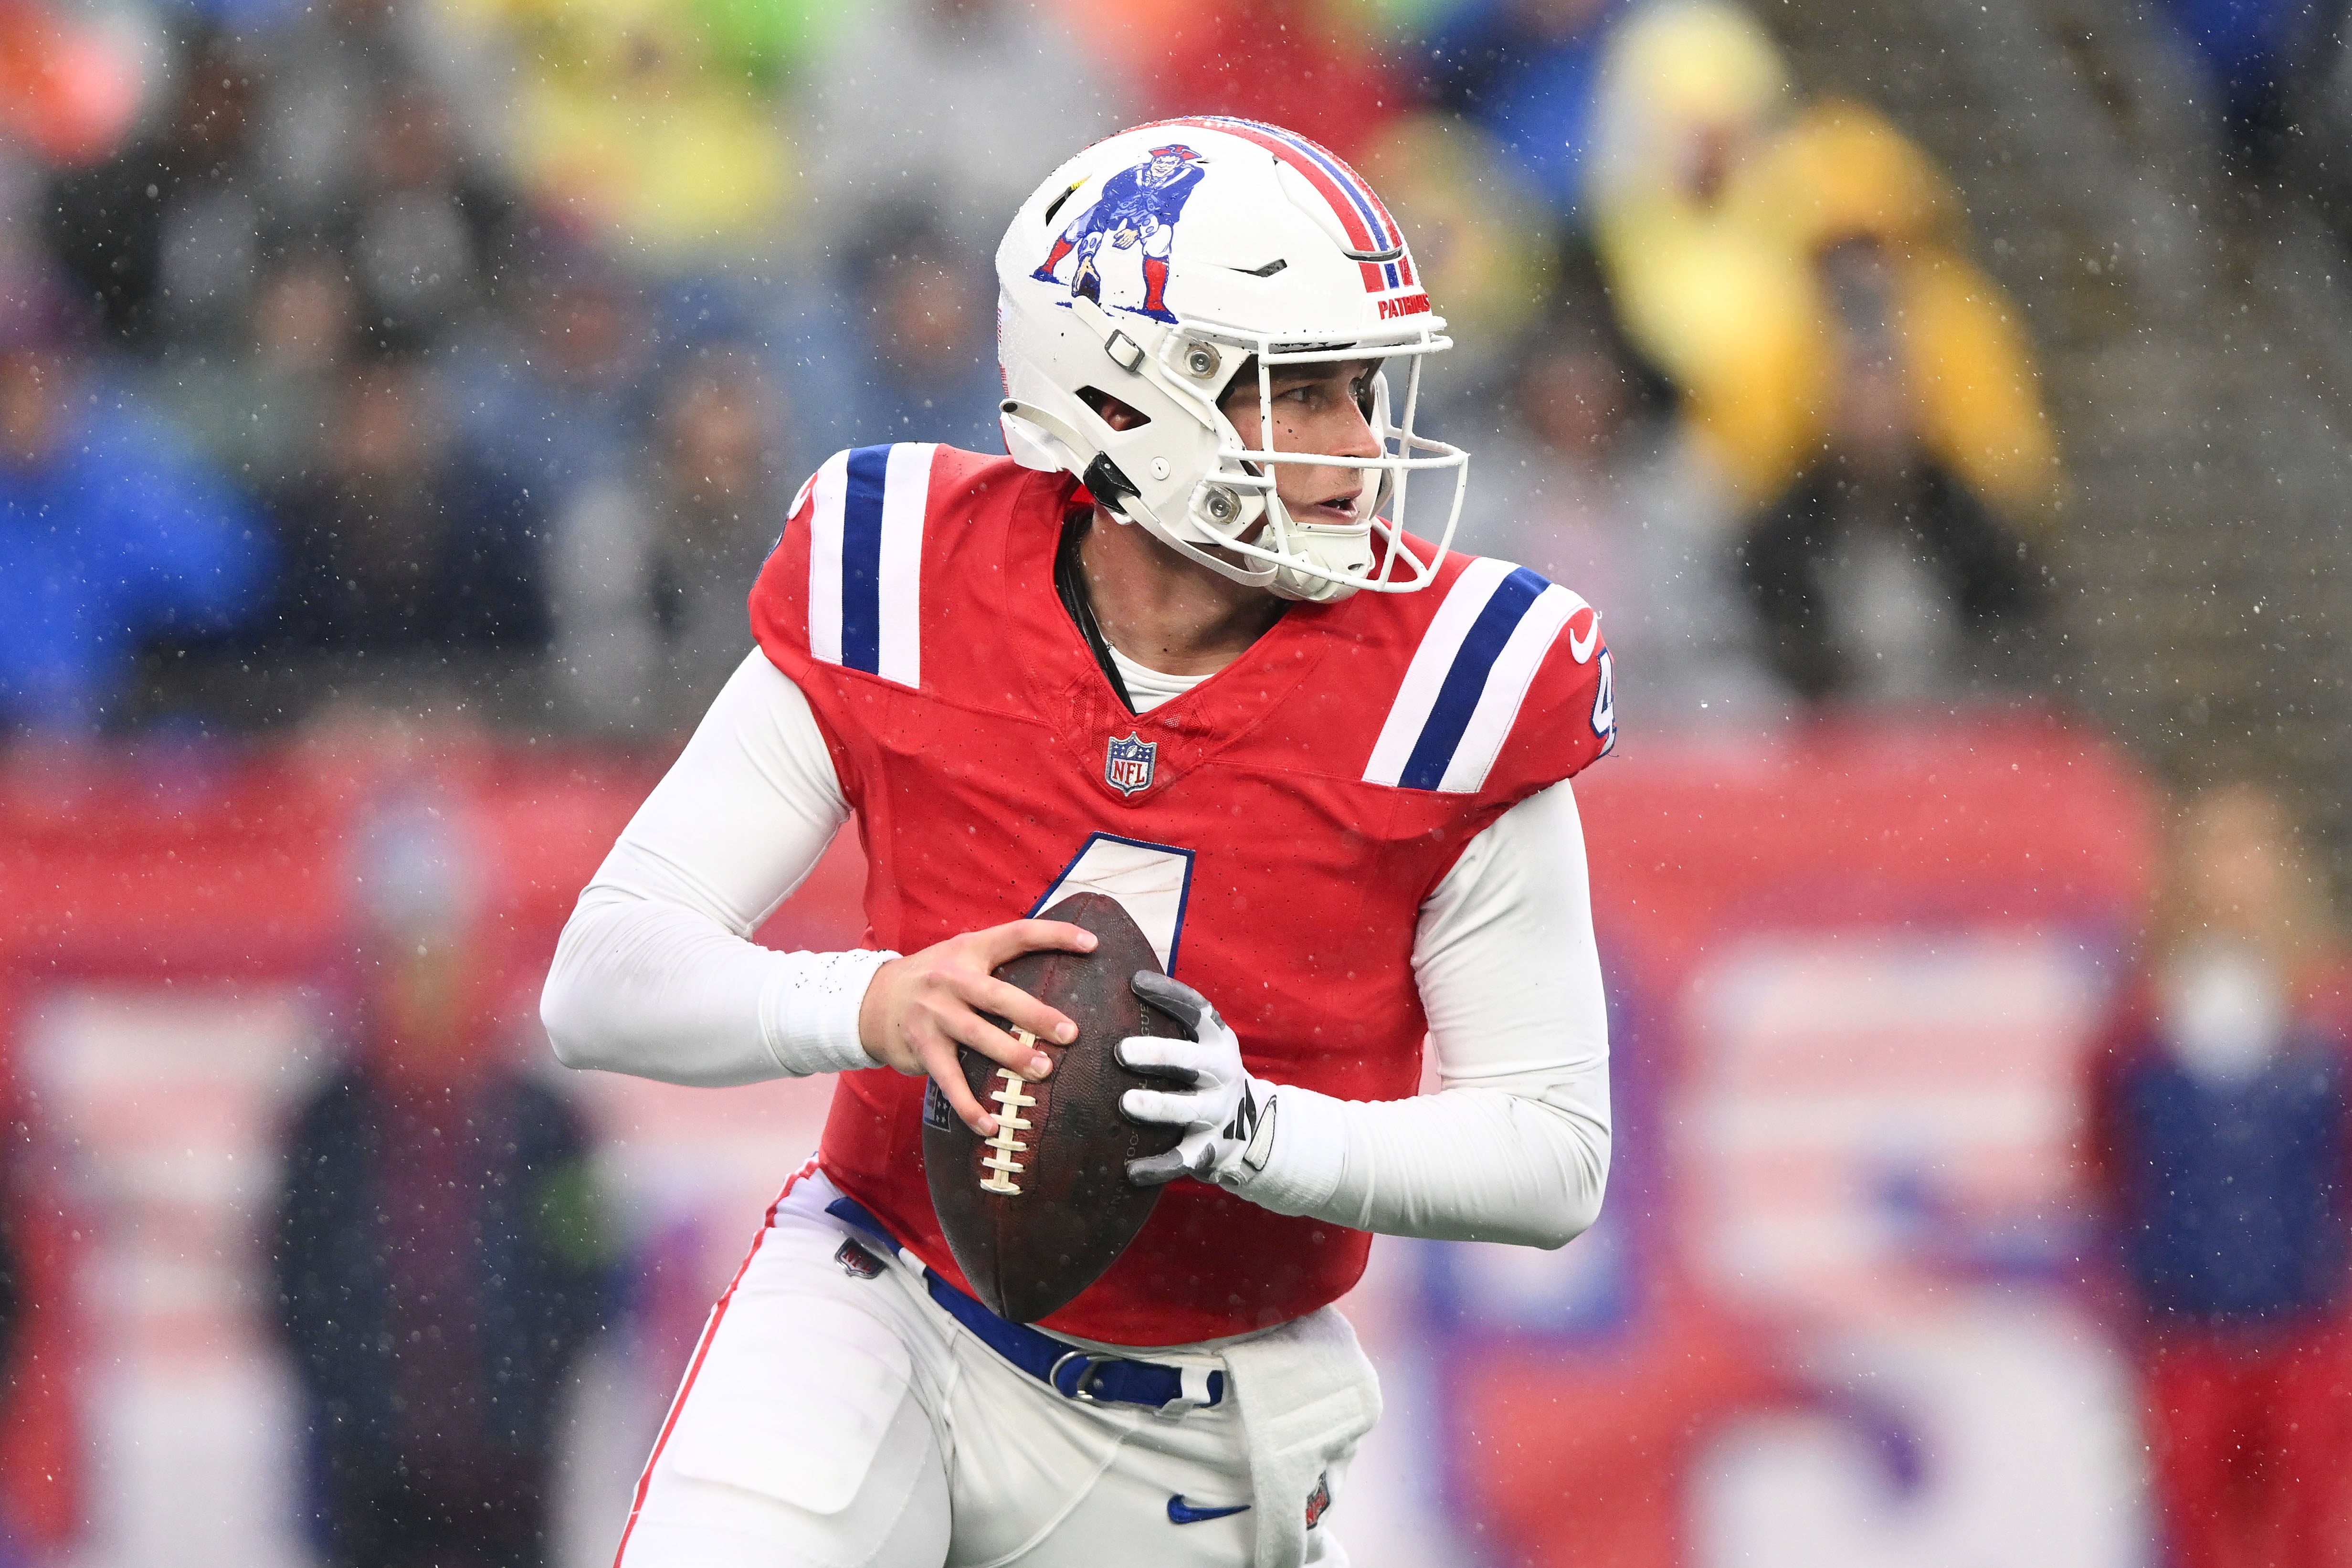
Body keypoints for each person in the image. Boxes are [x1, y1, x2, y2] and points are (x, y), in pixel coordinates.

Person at [542, 116, 1614, 1567]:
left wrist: (1254, 1129)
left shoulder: (1456, 681)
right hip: (887, 1302)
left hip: (1205, 1417)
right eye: (1303, 393)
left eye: (1365, 388)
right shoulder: (903, 571)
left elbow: (1554, 1155)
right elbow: (601, 974)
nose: (1364, 449)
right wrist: (871, 997)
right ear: (1127, 398)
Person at [273, 791, 613, 1568]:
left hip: (509, 1473)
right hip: (372, 1480)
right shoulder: (326, 1124)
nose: (426, 978)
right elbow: (292, 1286)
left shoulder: (545, 1124)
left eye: (442, 950)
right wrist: (362, 1405)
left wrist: (520, 1401)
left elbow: (586, 1275)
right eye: (405, 953)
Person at [2083, 784, 2352, 1568]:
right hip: (2186, 1331)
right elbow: (2106, 1159)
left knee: (2307, 1531)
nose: (2231, 871)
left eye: (2250, 848)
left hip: (2308, 1324)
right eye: (2214, 848)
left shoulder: (2327, 1008)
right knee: (2198, 1531)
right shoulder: (2135, 1019)